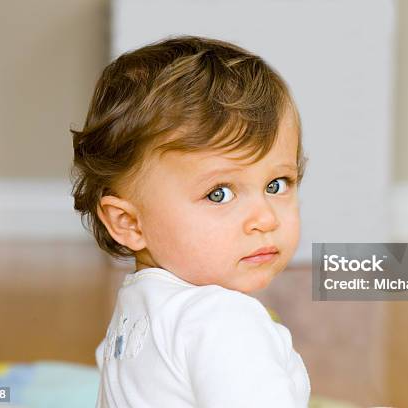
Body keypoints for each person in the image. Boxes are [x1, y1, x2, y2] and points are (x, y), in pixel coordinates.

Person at [70, 35, 310, 407]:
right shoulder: (226, 324)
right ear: (129, 223)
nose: (265, 217)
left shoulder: (139, 306)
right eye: (219, 193)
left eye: (277, 184)